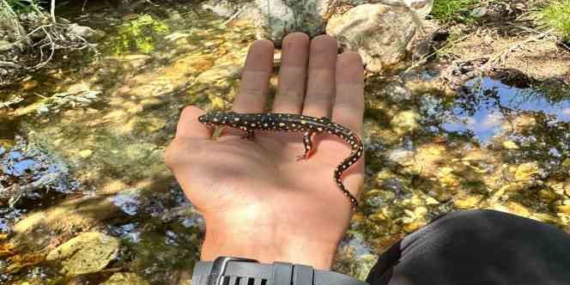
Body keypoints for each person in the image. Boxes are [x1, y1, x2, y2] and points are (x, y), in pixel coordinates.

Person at [165, 33, 570, 285]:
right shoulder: (245, 123)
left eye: (218, 121)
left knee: (469, 237)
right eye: (219, 121)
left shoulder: (247, 124)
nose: (219, 122)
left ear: (224, 122)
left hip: (315, 131)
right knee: (475, 237)